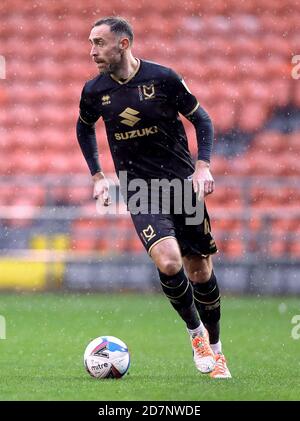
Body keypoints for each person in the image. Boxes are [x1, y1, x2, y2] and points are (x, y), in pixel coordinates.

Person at [76, 16, 231, 379]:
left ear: (123, 44)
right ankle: (197, 338)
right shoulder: (94, 90)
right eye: (90, 43)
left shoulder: (163, 79)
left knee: (200, 270)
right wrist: (97, 175)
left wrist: (203, 165)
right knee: (169, 262)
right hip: (141, 190)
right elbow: (83, 128)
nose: (92, 51)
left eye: (99, 43)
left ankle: (218, 349)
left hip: (181, 187)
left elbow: (202, 119)